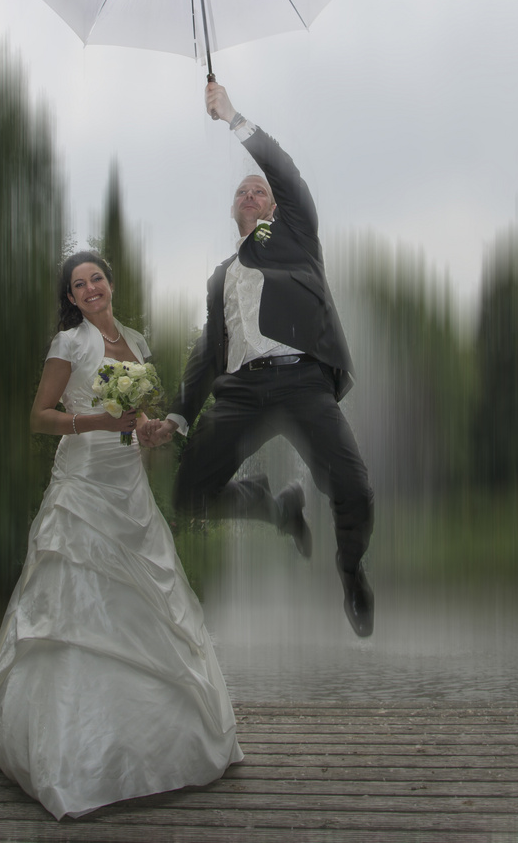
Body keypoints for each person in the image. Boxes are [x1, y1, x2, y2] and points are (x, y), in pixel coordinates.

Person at [0, 250, 243, 820]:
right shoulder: (69, 345)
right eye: (79, 284)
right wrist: (99, 421)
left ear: (110, 284)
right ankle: (73, 757)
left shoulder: (137, 341)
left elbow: (143, 414)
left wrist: (149, 430)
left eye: (96, 277)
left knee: (148, 598)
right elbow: (40, 416)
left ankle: (163, 747)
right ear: (71, 299)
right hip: (83, 483)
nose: (91, 288)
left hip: (128, 483)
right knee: (78, 600)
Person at [148, 84, 375, 638]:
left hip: (302, 382)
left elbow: (286, 173)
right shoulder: (221, 275)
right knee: (190, 492)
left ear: (274, 206)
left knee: (354, 489)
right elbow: (208, 353)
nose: (251, 193)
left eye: (259, 190)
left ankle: (349, 570)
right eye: (243, 192)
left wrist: (231, 116)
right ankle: (273, 507)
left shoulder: (296, 238)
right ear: (234, 210)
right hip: (241, 392)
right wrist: (178, 415)